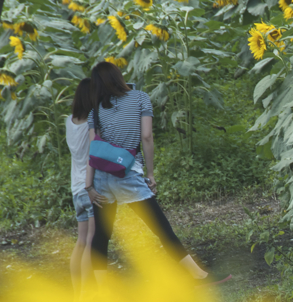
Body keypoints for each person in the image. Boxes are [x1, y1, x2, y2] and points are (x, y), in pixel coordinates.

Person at [84, 61, 213, 282]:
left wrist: (89, 186)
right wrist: (151, 174)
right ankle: (198, 275)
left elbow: (93, 152)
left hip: (102, 179)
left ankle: (102, 291)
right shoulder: (140, 98)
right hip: (127, 174)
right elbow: (146, 137)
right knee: (161, 227)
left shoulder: (94, 111)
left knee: (102, 235)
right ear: (119, 76)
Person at [66, 78, 96, 298]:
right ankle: (87, 293)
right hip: (91, 185)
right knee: (93, 240)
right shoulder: (92, 123)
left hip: (76, 189)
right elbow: (94, 155)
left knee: (81, 241)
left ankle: (77, 294)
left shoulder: (70, 121)